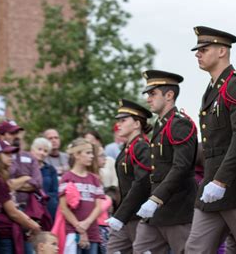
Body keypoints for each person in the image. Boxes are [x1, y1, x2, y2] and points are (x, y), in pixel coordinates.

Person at [185, 26, 236, 254]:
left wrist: (221, 181)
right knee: (195, 248)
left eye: (204, 49)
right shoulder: (212, 90)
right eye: (197, 50)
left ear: (222, 51)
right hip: (212, 186)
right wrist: (214, 181)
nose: (198, 54)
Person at [132, 70, 197, 254]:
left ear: (169, 95)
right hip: (156, 212)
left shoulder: (180, 124)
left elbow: (181, 166)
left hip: (177, 209)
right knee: (140, 249)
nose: (148, 99)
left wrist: (156, 198)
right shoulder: (161, 125)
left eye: (153, 94)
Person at [106, 99, 152, 254]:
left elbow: (142, 183)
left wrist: (120, 214)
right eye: (118, 120)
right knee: (112, 250)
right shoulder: (128, 148)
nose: (118, 124)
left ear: (137, 124)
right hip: (126, 215)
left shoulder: (141, 147)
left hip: (138, 216)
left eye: (123, 120)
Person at [0, 140, 41, 253]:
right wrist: (32, 225)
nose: (11, 156)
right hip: (3, 234)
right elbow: (12, 212)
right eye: (6, 154)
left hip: (4, 232)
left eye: (11, 153)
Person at [59, 138, 104, 253]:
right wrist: (80, 228)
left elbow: (98, 207)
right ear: (77, 155)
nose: (92, 156)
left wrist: (87, 223)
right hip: (73, 232)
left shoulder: (94, 179)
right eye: (88, 153)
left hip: (93, 232)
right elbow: (64, 208)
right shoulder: (67, 178)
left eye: (92, 153)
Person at [30, 137, 59, 220]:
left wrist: (44, 198)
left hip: (48, 205)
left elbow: (55, 191)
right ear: (32, 150)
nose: (42, 153)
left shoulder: (50, 169)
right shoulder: (25, 167)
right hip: (29, 205)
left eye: (45, 151)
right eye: (39, 149)